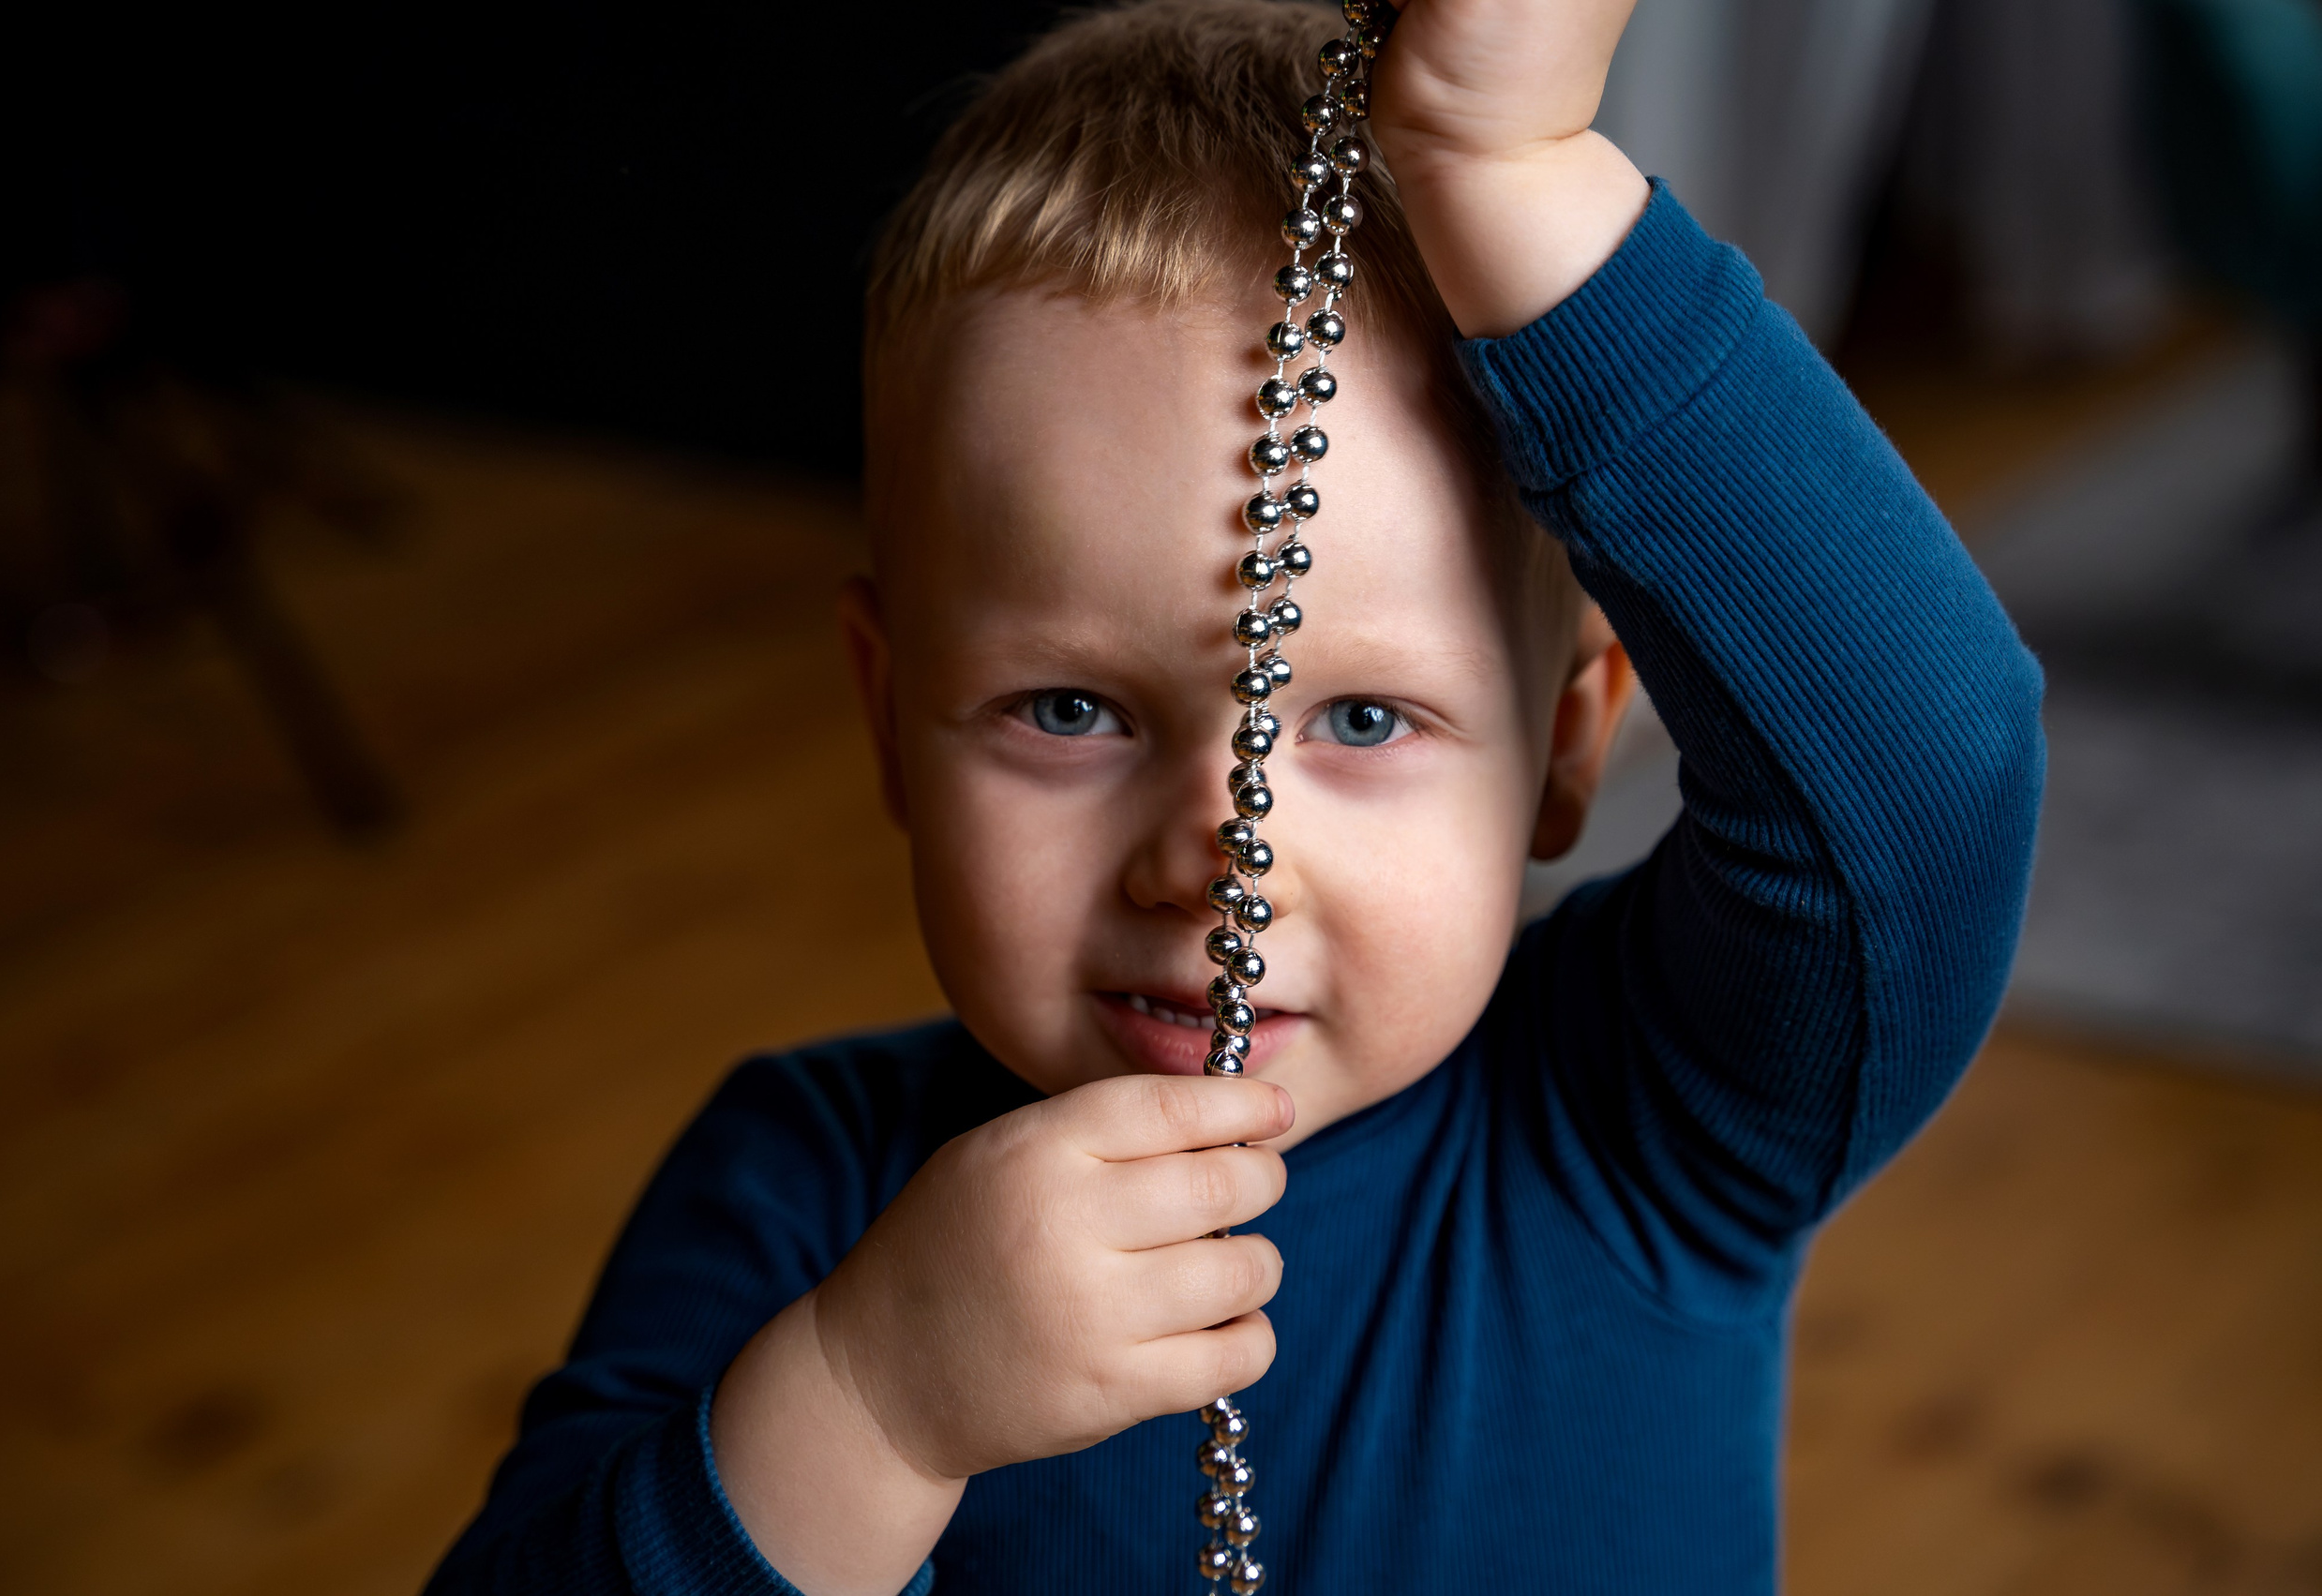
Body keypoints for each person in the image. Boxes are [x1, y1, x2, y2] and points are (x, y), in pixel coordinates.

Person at [424, 1, 2043, 1591]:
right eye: (1070, 710)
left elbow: (1926, 763)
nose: (1217, 862)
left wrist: (1509, 176)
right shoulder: (802, 1198)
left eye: (1362, 717)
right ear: (888, 718)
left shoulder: (1649, 1119)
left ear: (1563, 748)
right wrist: (869, 1413)